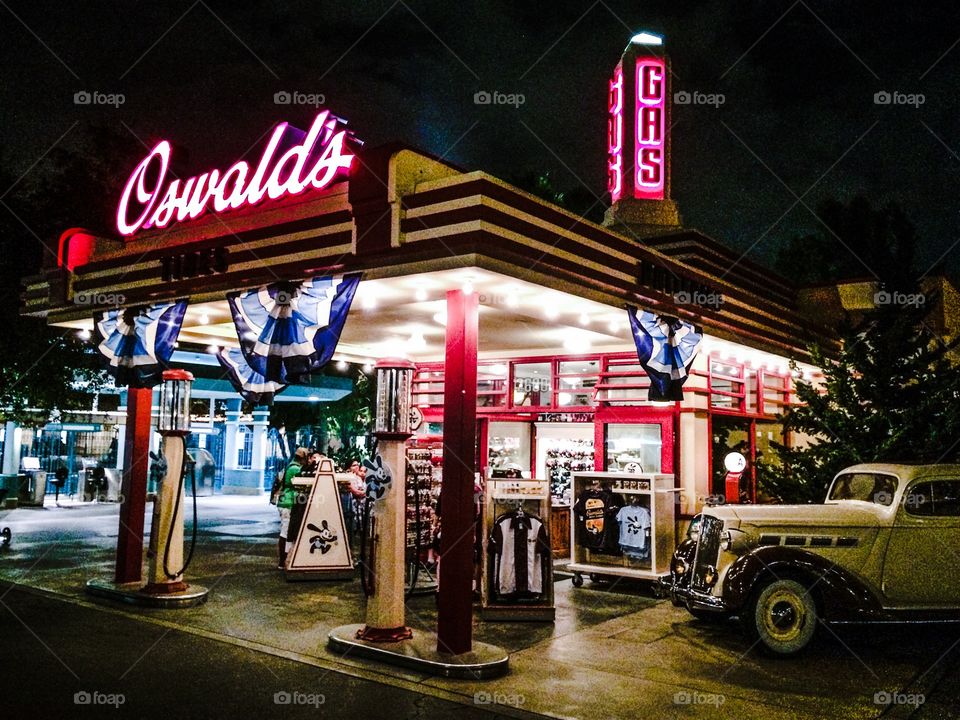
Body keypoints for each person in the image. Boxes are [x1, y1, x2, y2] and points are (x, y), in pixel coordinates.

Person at [277, 447, 308, 569]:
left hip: (286, 501)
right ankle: (282, 561)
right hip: (288, 502)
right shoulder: (295, 468)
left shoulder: (291, 465)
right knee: (285, 532)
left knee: (286, 531)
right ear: (303, 458)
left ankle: (285, 559)